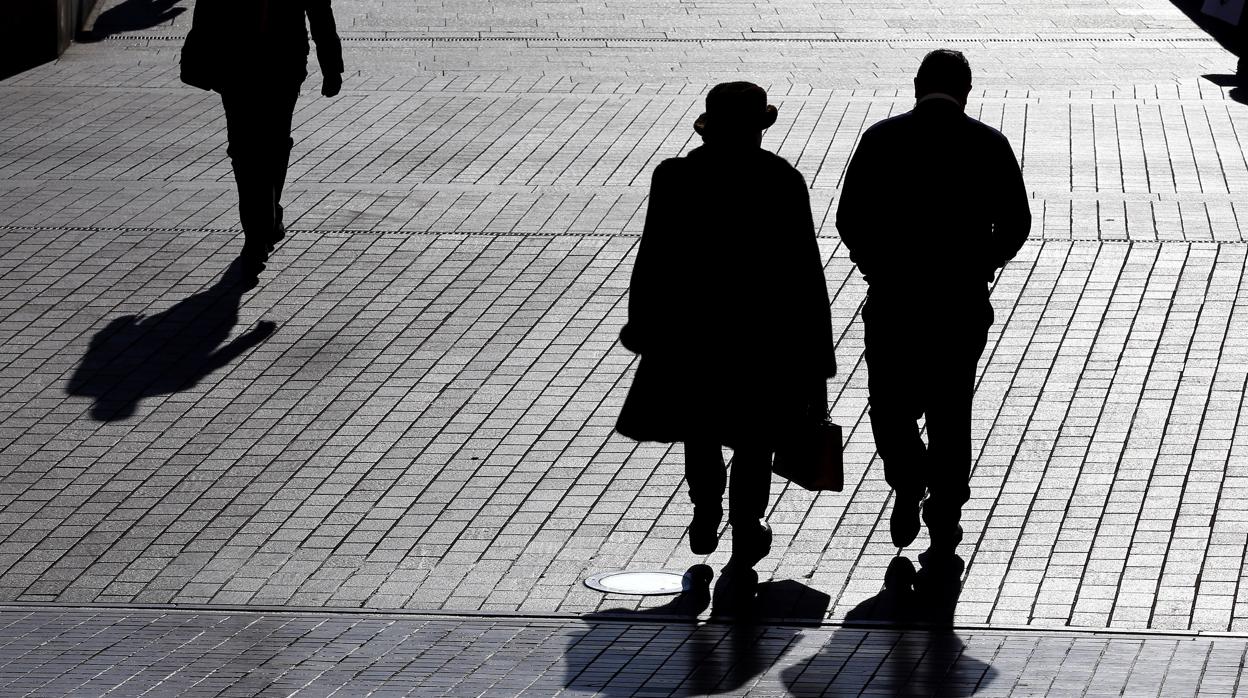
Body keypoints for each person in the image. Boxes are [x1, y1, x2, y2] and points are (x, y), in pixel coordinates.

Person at [616, 82, 836, 579]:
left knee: (702, 424)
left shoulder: (676, 176)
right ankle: (746, 524)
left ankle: (705, 508)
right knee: (755, 436)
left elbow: (653, 256)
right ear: (760, 126)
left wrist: (644, 323)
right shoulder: (781, 179)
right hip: (763, 338)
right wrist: (815, 353)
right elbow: (804, 271)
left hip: (694, 334)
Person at [836, 50, 1030, 559]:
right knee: (950, 408)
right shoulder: (988, 143)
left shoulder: (883, 138)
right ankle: (946, 510)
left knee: (890, 404)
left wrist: (873, 265)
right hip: (959, 301)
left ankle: (907, 477)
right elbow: (1017, 221)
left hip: (895, 297)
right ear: (966, 89)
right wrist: (983, 262)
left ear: (918, 83)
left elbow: (850, 215)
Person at [181, 0, 344, 284]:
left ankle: (263, 223)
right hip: (237, 62)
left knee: (272, 144)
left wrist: (331, 66)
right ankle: (258, 233)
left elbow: (318, 7)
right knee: (246, 150)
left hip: (282, 62)